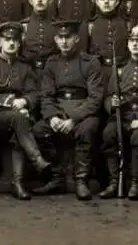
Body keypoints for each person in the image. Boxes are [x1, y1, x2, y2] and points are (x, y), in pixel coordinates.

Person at [32, 20, 104, 201]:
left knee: (87, 129)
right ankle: (57, 178)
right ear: (56, 40)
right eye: (61, 37)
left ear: (77, 38)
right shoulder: (51, 63)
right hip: (58, 109)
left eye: (68, 37)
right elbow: (46, 95)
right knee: (39, 130)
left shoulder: (91, 62)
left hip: (83, 111)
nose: (64, 41)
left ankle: (81, 180)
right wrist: (52, 117)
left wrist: (73, 119)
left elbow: (95, 98)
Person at [0, 22, 51, 200]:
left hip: (19, 115)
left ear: (20, 44)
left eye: (15, 40)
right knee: (20, 120)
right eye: (7, 39)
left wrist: (25, 101)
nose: (11, 43)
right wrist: (13, 102)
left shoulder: (25, 67)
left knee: (19, 126)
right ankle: (37, 160)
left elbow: (33, 92)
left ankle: (17, 183)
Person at [99, 22, 138, 200]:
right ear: (127, 44)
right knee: (109, 134)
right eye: (132, 40)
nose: (135, 44)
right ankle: (113, 182)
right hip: (121, 115)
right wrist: (113, 103)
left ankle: (136, 184)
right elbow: (108, 96)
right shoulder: (119, 69)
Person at [88, 0, 130, 80]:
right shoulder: (90, 25)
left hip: (123, 72)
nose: (106, 2)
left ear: (117, 2)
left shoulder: (126, 24)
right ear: (97, 2)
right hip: (98, 73)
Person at [20, 0, 58, 76]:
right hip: (28, 72)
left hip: (51, 72)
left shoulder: (56, 25)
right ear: (30, 1)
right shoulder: (23, 25)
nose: (40, 0)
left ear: (50, 0)